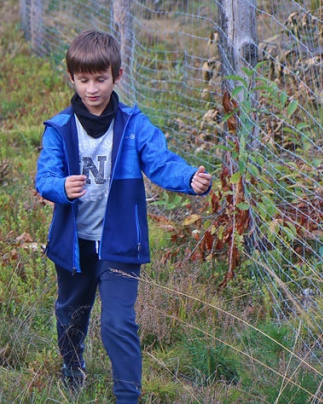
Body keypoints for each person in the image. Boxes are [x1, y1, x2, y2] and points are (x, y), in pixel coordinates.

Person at [34, 30, 213, 403]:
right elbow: (44, 177)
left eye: (100, 79)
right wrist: (60, 187)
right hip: (74, 244)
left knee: (118, 321)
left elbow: (161, 163)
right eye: (83, 80)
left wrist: (189, 179)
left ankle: (127, 396)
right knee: (71, 315)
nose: (92, 89)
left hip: (119, 244)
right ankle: (72, 365)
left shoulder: (134, 126)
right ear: (72, 79)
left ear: (118, 75)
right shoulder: (60, 129)